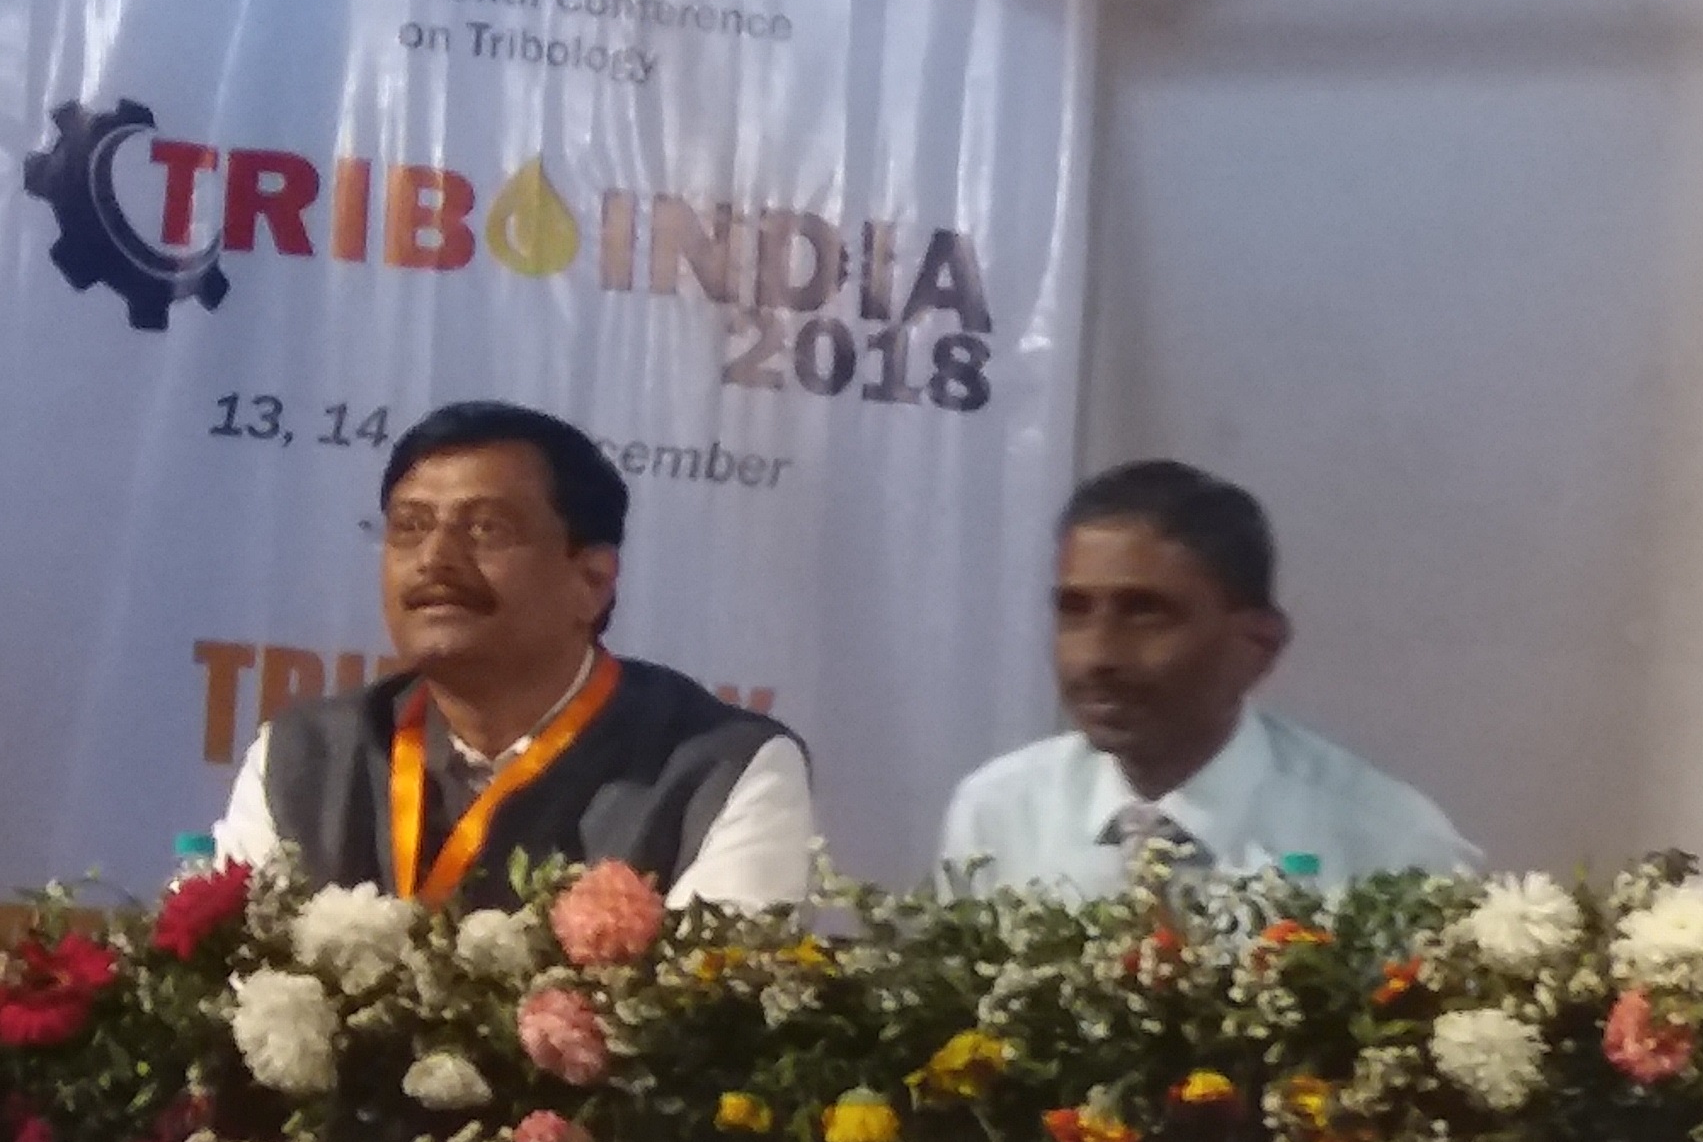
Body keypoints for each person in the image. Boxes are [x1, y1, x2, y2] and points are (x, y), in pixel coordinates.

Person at [215, 401, 816, 909]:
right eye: (410, 526)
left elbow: (707, 1004)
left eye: (486, 529)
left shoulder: (724, 769)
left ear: (592, 581)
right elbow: (231, 981)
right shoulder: (302, 757)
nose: (435, 559)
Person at [937, 460, 1473, 892]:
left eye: (1145, 613)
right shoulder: (1000, 814)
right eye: (1073, 611)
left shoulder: (1389, 845)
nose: (1096, 656)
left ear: (1258, 646)